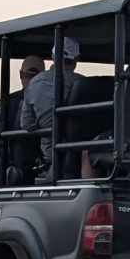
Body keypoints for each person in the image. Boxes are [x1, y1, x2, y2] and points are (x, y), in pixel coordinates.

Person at [20, 39, 87, 177]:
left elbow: (27, 124)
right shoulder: (85, 84)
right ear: (76, 59)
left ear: (52, 57)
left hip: (51, 157)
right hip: (84, 156)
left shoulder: (34, 84)